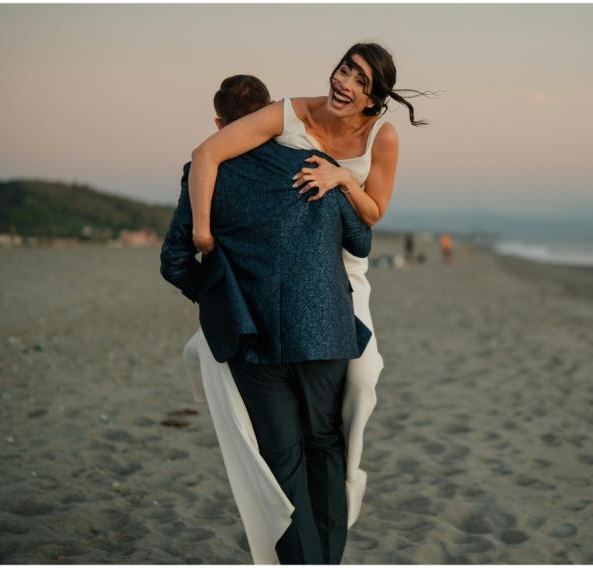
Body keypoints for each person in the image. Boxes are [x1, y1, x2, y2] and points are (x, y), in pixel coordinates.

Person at [185, 41, 428, 560]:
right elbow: (209, 154)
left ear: (374, 98)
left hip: (341, 270)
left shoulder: (382, 136)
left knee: (362, 380)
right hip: (277, 269)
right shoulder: (289, 112)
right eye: (345, 70)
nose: (345, 83)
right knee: (232, 376)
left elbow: (374, 213)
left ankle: (341, 492)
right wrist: (203, 230)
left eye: (361, 81)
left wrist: (340, 177)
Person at [160, 74, 373, 564]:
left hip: (252, 339)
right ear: (271, 114)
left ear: (219, 124)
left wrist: (222, 298)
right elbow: (360, 242)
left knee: (282, 459)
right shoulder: (314, 163)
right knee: (325, 445)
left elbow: (175, 262)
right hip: (325, 331)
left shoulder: (204, 173)